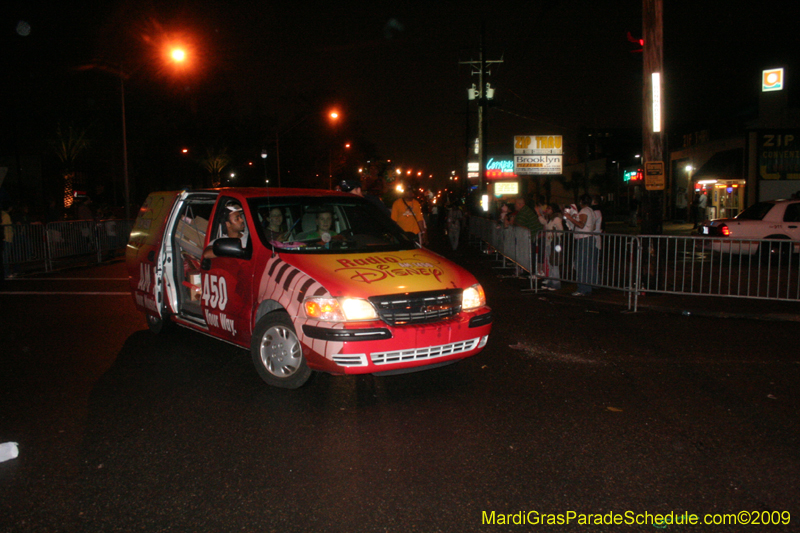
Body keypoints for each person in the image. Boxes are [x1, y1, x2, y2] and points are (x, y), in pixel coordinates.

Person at [564, 194, 597, 296]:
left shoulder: (584, 211)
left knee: (581, 265)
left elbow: (581, 225)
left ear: (581, 201)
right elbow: (593, 226)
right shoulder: (591, 211)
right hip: (589, 238)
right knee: (587, 265)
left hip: (583, 239)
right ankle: (587, 287)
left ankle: (582, 289)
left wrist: (570, 218)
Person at [512, 196, 544, 273]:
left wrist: (514, 222)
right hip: (535, 236)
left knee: (534, 256)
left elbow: (520, 225)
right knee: (536, 256)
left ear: (520, 204)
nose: (514, 205)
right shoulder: (525, 210)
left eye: (515, 203)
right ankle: (534, 271)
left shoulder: (523, 212)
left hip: (534, 236)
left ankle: (534, 272)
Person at [540, 203, 564, 290]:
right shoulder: (550, 219)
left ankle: (556, 283)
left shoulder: (556, 218)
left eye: (549, 208)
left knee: (554, 262)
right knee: (550, 262)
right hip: (549, 242)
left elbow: (561, 230)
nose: (547, 210)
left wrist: (553, 234)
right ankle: (551, 281)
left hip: (554, 243)